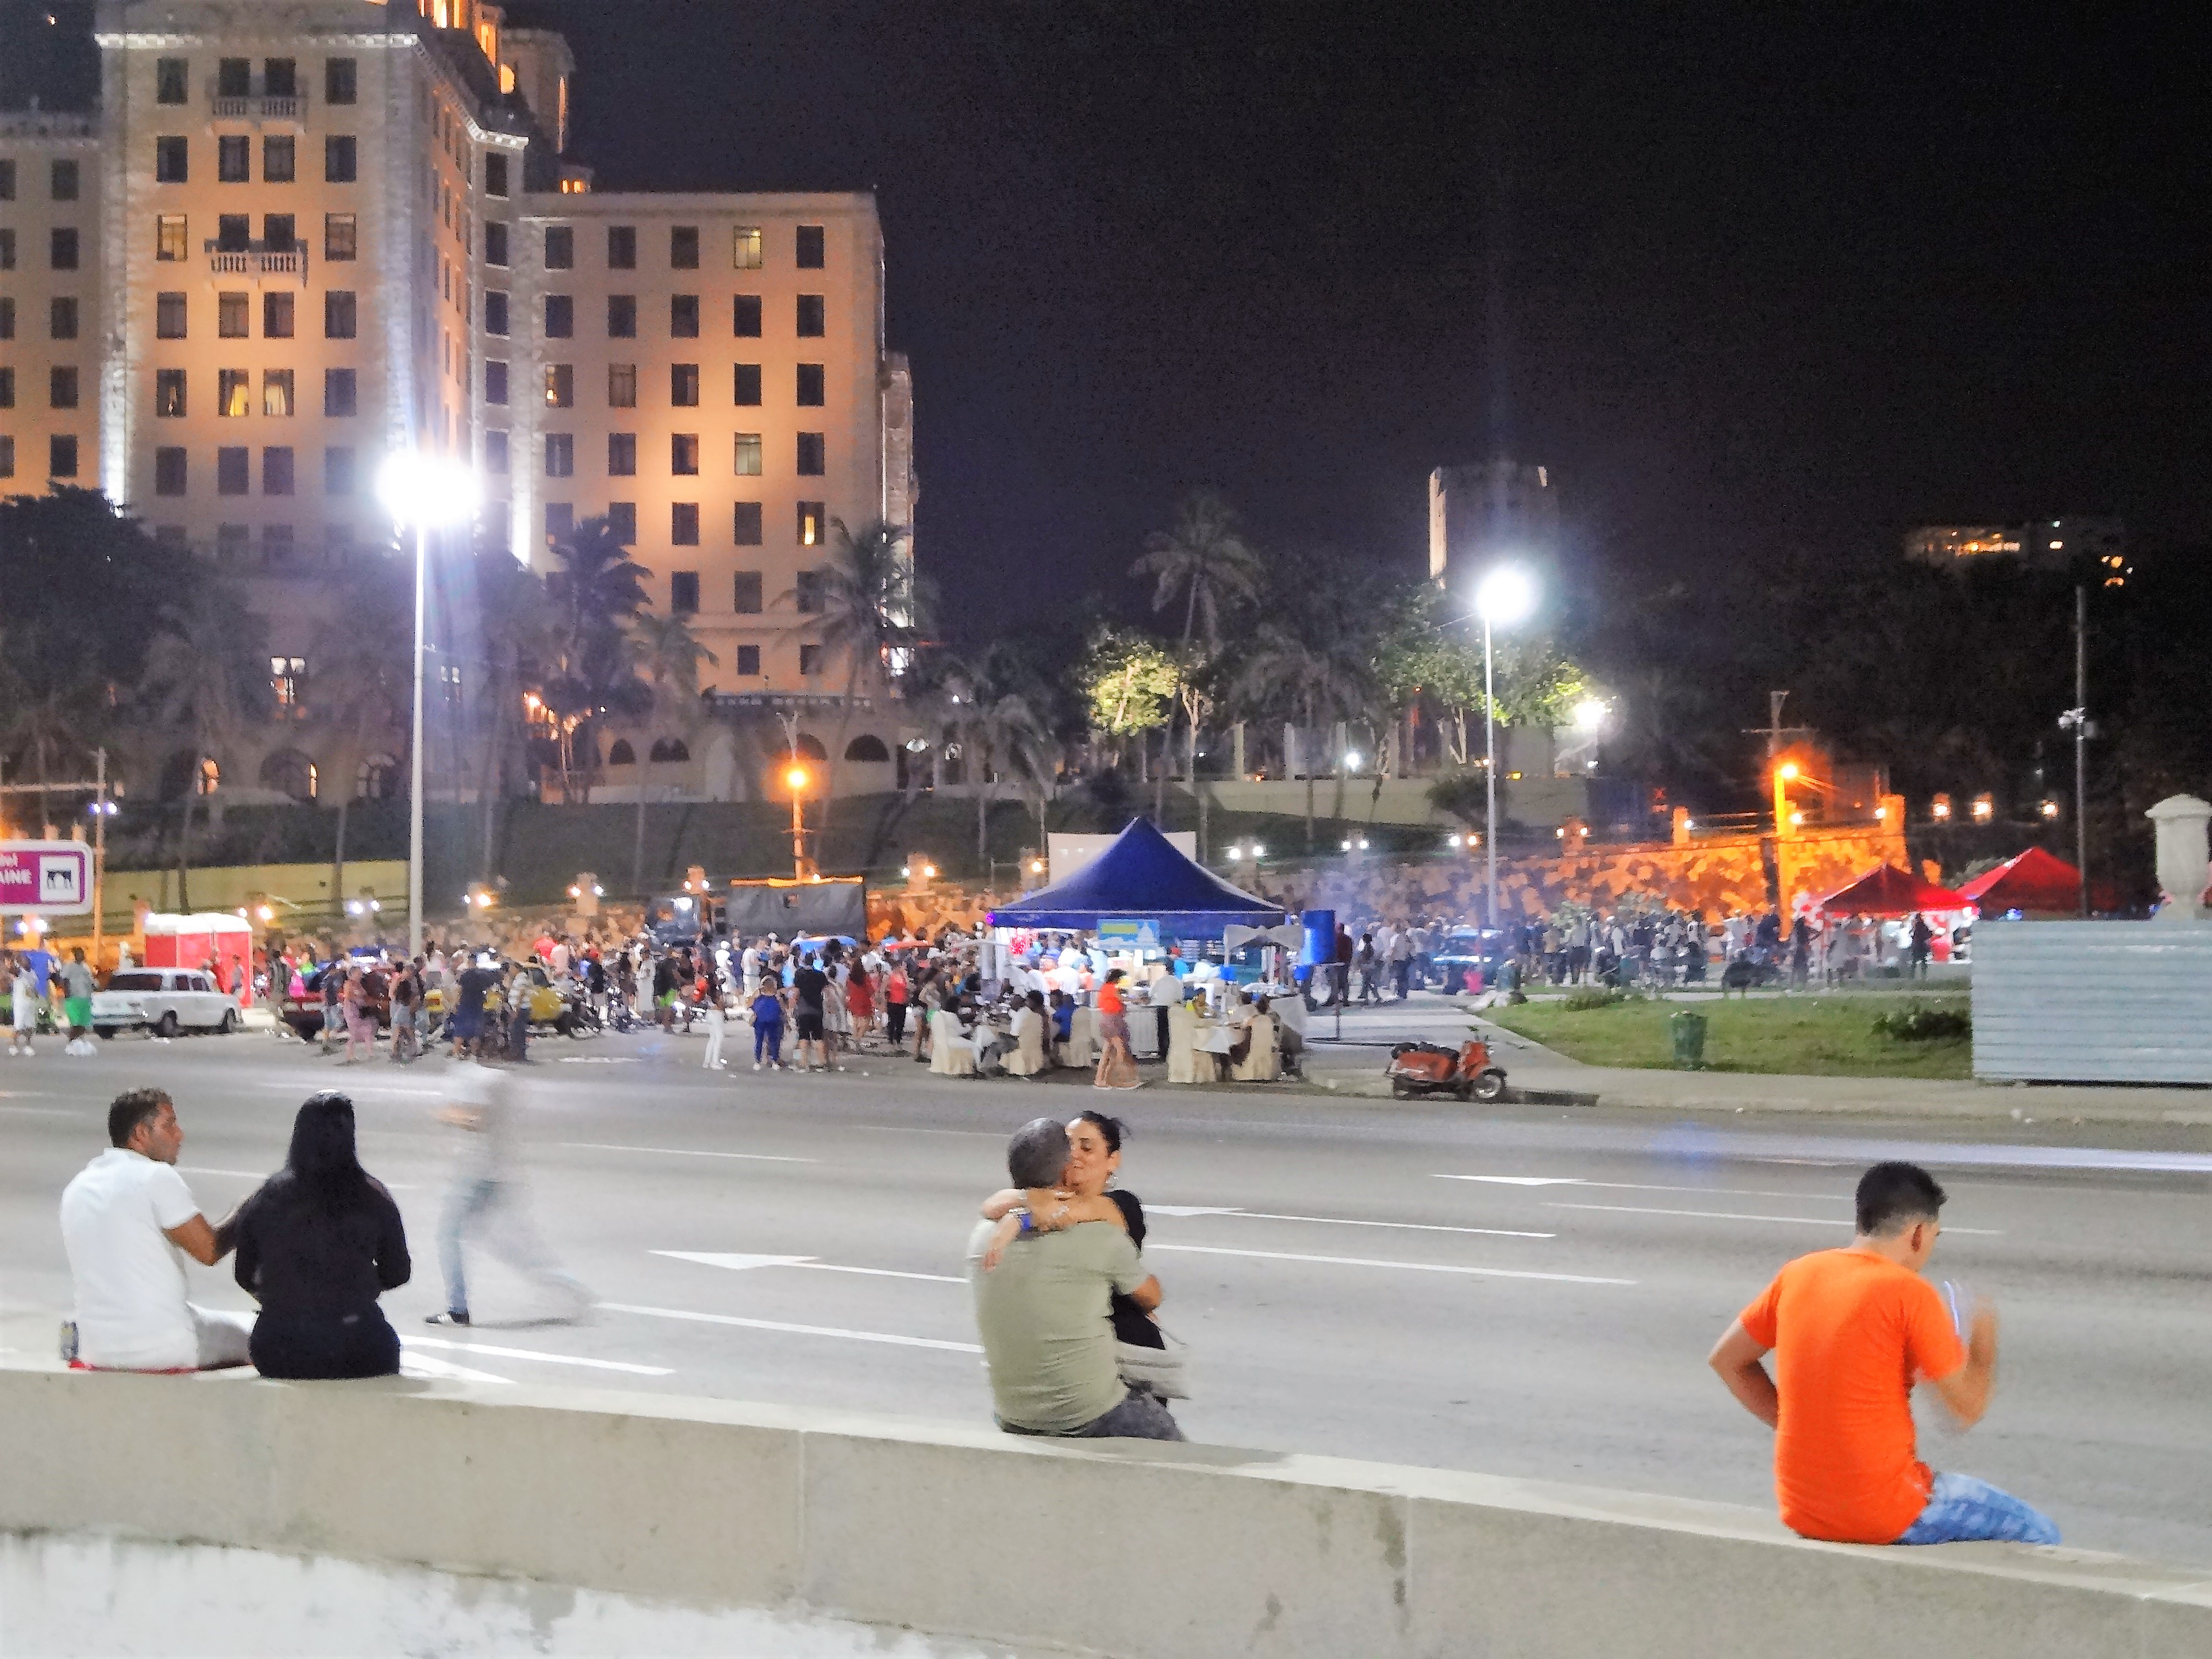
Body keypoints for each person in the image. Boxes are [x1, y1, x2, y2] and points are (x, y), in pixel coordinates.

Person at [1708, 1160, 2059, 1547]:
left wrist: (1799, 1424)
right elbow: (1967, 1411)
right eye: (1935, 1237)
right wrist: (1983, 1340)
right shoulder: (1909, 1293)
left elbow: (1727, 1360)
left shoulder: (1799, 1274)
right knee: (2041, 1534)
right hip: (1885, 1511)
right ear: (1918, 1234)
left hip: (1803, 1507)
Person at [967, 1116, 1181, 1441]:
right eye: (1070, 1146)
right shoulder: (1053, 1210)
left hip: (1125, 1362)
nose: (1076, 1154)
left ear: (1113, 1161)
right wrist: (1026, 1205)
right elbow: (998, 1203)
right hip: (1088, 1387)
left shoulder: (1117, 1207)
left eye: (1088, 1147)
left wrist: (1023, 1213)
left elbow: (1071, 1212)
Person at [59, 1089, 253, 1370]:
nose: (180, 1135)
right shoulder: (156, 1177)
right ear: (141, 1134)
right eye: (169, 1125)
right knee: (260, 1334)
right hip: (162, 1347)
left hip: (96, 1347)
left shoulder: (79, 1186)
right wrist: (243, 1211)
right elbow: (209, 1251)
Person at [228, 1093, 410, 1378]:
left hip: (280, 1347)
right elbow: (398, 1273)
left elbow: (244, 1274)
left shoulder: (269, 1196)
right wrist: (353, 1286)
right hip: (356, 1345)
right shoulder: (371, 1195)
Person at [426, 1055, 589, 1327]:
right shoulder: (507, 1081)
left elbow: (477, 1120)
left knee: (448, 1237)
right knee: (505, 1240)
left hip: (476, 1172)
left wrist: (447, 1114)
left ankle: (457, 1309)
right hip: (499, 1171)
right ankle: (564, 1282)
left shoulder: (474, 1077)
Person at [1092, 968, 1140, 1090]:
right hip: (1111, 1023)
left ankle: (1102, 1079)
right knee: (1120, 1051)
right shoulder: (1110, 988)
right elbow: (1121, 999)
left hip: (1110, 1022)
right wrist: (1137, 1000)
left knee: (1108, 1053)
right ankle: (1117, 1078)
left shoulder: (1107, 988)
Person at [790, 952, 832, 1072]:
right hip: (817, 1008)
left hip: (803, 1009)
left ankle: (804, 1064)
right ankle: (821, 1063)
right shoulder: (820, 975)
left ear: (803, 961)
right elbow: (827, 991)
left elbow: (796, 992)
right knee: (818, 1037)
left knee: (804, 1037)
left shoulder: (799, 974)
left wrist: (791, 1007)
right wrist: (829, 1006)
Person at [60, 948, 97, 1053]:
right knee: (76, 1023)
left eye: (82, 954)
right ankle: (71, 1042)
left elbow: (91, 981)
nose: (81, 956)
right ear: (75, 955)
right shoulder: (69, 967)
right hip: (74, 998)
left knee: (84, 1023)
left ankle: (79, 1042)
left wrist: (96, 986)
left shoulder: (86, 967)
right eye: (79, 954)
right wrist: (67, 994)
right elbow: (64, 980)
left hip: (85, 998)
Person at [751, 976, 788, 1070]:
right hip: (774, 1020)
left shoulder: (758, 992)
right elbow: (783, 1008)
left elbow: (750, 1004)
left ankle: (757, 1062)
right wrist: (787, 1020)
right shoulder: (776, 994)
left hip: (760, 1020)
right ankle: (775, 1061)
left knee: (759, 1040)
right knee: (773, 1041)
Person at [12, 954, 40, 1056]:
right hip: (20, 1003)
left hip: (31, 1003)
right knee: (19, 1026)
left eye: (28, 961)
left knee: (30, 1026)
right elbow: (13, 971)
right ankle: (14, 1046)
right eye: (25, 961)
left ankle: (28, 1045)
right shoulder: (20, 972)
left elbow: (33, 986)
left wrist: (37, 994)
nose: (27, 962)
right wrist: (14, 961)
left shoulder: (32, 973)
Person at [701, 988, 728, 1070]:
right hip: (717, 1014)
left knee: (712, 1039)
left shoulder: (708, 990)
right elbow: (720, 1005)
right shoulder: (717, 992)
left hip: (709, 1013)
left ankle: (707, 1062)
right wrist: (727, 1005)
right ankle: (715, 1062)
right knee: (719, 1038)